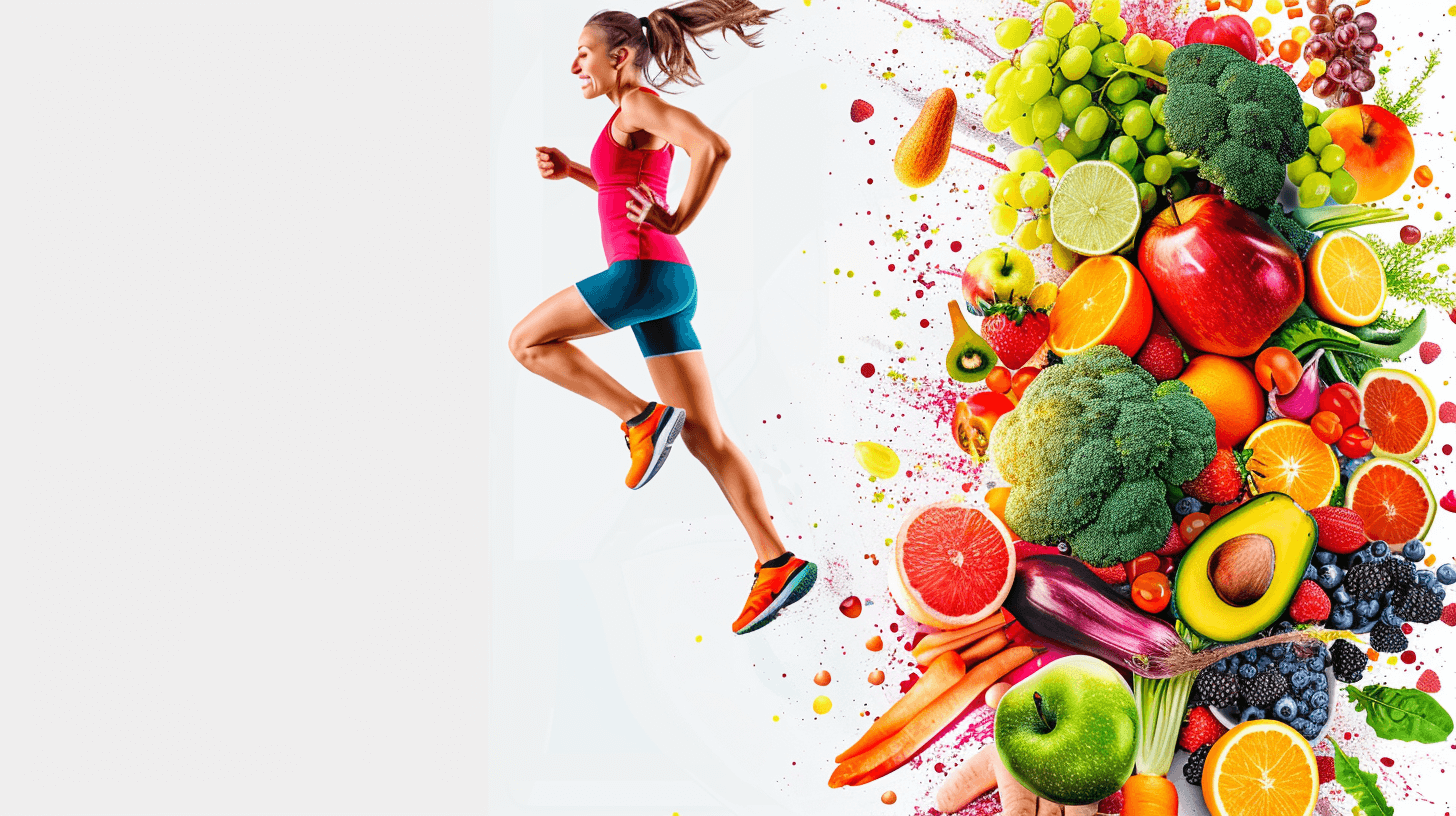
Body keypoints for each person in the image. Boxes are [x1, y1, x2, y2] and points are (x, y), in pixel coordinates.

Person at [508, 1, 815, 635]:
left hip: (643, 273)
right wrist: (574, 172)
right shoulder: (626, 119)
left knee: (526, 341)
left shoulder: (638, 105)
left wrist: (676, 218)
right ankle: (776, 561)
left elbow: (713, 148)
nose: (574, 66)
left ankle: (640, 418)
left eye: (584, 54)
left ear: (619, 57)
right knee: (708, 437)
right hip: (669, 284)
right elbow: (627, 184)